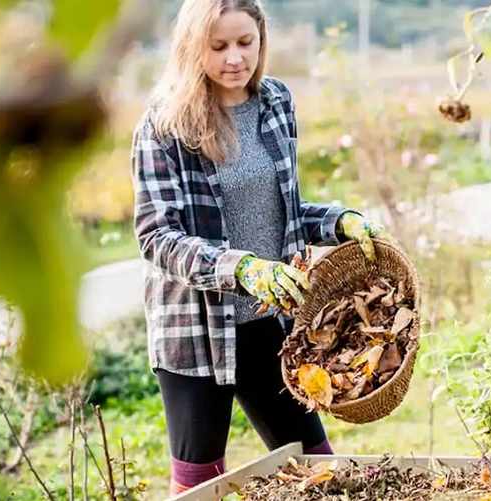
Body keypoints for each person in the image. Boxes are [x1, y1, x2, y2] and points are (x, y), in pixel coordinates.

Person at [129, 0, 389, 494]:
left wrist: (341, 220)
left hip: (271, 324)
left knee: (318, 470)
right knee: (201, 483)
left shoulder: (275, 103)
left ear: (262, 40)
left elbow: (283, 209)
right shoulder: (165, 126)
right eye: (219, 45)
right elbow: (157, 237)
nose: (234, 58)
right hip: (197, 334)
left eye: (245, 43)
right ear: (192, 48)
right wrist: (243, 268)